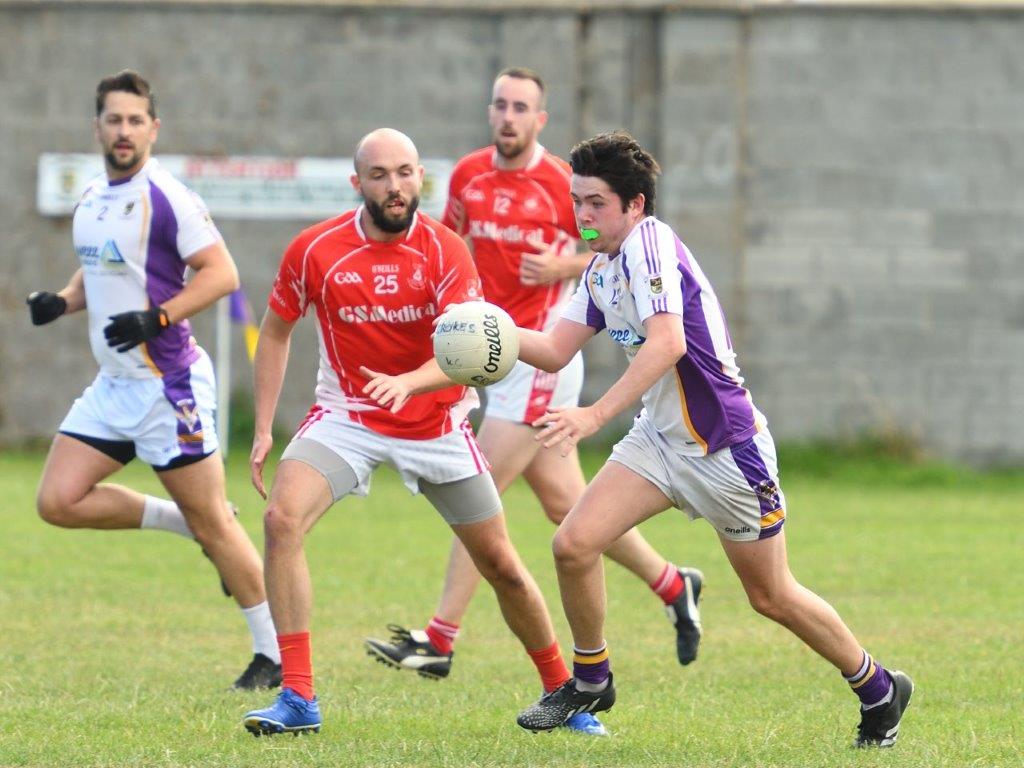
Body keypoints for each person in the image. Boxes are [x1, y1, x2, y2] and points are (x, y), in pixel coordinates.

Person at [510, 131, 914, 748]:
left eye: (595, 203)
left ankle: (879, 689)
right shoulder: (600, 269)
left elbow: (667, 342)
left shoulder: (651, 244)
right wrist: (478, 328)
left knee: (771, 596)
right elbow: (551, 348)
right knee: (573, 544)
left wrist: (592, 416)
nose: (582, 216)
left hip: (726, 449)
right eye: (577, 201)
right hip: (660, 442)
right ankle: (591, 679)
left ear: (634, 205)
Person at [242, 128, 593, 737]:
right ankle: (298, 696)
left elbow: (470, 346)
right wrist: (263, 429)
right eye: (379, 174)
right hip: (349, 414)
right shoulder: (314, 249)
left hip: (438, 423)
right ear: (358, 184)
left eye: (405, 172)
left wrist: (409, 382)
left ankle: (563, 693)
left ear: (420, 179)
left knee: (502, 565)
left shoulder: (447, 250)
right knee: (281, 520)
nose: (394, 185)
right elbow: (276, 331)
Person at [364, 68, 703, 698]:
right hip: (492, 350)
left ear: (540, 119)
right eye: (500, 104)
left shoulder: (563, 183)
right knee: (567, 510)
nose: (509, 116)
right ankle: (674, 585)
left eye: (522, 107)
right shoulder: (468, 174)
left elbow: (609, 245)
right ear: (489, 112)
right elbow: (450, 243)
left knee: (479, 486)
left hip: (545, 354)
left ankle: (439, 640)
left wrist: (563, 262)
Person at [27, 70, 280, 690]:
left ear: (153, 128)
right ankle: (183, 520)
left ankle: (273, 654)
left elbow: (221, 274)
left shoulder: (168, 197)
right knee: (57, 501)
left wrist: (159, 317)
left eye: (135, 120)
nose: (124, 130)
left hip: (170, 387)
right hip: (113, 387)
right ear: (98, 128)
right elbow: (101, 270)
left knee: (218, 527)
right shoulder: (93, 198)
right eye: (114, 119)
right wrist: (62, 301)